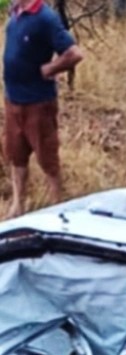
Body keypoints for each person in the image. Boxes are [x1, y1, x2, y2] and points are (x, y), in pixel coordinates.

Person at [3, 0, 83, 217]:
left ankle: (57, 208)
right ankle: (18, 204)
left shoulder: (45, 18)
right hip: (13, 100)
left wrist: (51, 68)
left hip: (38, 103)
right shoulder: (16, 14)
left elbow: (74, 54)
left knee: (47, 158)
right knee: (16, 155)